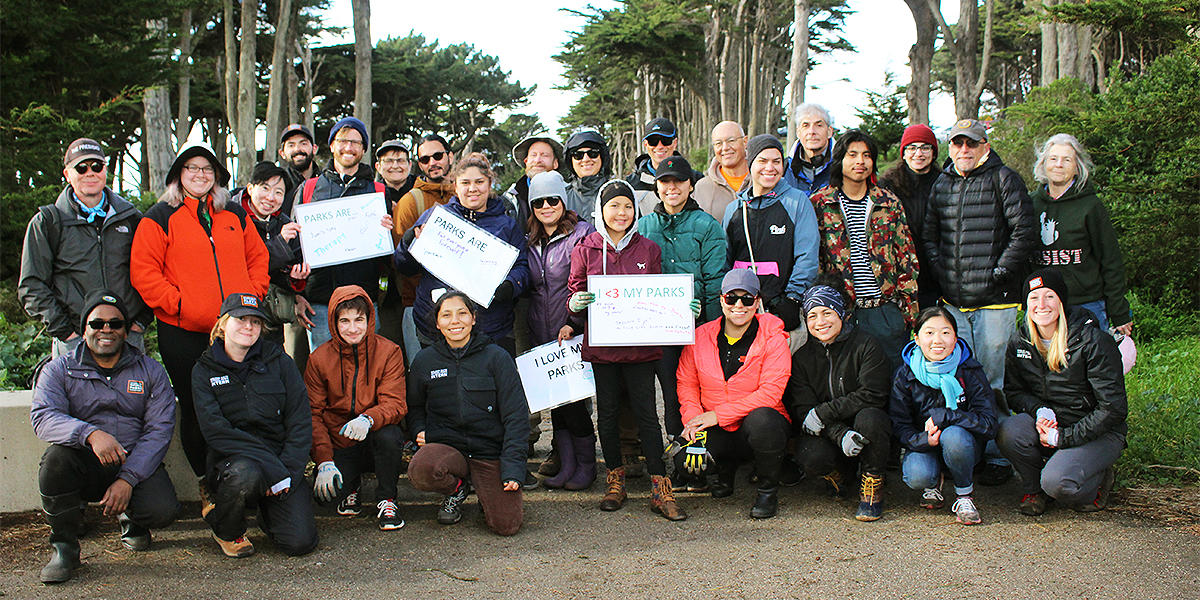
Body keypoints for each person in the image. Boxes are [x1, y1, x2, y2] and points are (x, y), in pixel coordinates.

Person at [130, 142, 269, 502]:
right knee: (196, 407)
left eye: (207, 169)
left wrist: (251, 298)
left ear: (217, 177)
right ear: (179, 175)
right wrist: (179, 305)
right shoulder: (159, 217)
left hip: (236, 332)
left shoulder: (235, 216)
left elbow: (258, 259)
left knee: (240, 403)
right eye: (191, 168)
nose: (200, 174)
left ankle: (244, 479)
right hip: (184, 332)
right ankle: (207, 482)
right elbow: (145, 273)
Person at [31, 291, 180, 583]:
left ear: (127, 330)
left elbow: (159, 429)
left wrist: (128, 479)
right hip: (85, 461)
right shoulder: (59, 369)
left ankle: (133, 521)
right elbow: (43, 417)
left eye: (115, 323)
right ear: (84, 328)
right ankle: (64, 548)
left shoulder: (150, 371)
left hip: (134, 461)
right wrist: (89, 433)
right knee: (55, 461)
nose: (106, 330)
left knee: (163, 510)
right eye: (97, 323)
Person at [922, 118, 1036, 486]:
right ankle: (964, 452)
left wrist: (1001, 271)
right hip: (954, 300)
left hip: (995, 301)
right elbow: (929, 236)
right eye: (957, 144)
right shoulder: (943, 183)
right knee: (959, 380)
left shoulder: (1005, 179)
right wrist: (941, 271)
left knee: (994, 380)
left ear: (985, 146)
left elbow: (1024, 230)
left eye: (971, 144)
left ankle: (998, 454)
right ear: (950, 148)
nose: (964, 151)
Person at [566, 179, 686, 520]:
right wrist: (575, 302)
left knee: (647, 414)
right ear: (601, 211)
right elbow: (573, 294)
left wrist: (679, 310)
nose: (621, 213)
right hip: (603, 349)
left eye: (627, 206)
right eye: (614, 206)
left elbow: (660, 294)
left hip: (640, 349)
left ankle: (660, 486)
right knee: (608, 414)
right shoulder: (585, 248)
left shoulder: (648, 249)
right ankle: (615, 478)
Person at [191, 293, 317, 558]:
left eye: (256, 322)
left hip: (282, 462)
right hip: (233, 462)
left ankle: (268, 513)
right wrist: (273, 469)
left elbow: (300, 422)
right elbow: (217, 431)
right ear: (223, 323)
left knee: (300, 543)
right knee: (243, 475)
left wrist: (289, 473)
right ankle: (227, 529)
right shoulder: (204, 370)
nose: (248, 327)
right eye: (241, 319)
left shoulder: (280, 362)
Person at [997, 269, 1127, 515]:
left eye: (1049, 296)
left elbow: (1113, 408)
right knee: (1009, 431)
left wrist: (1062, 438)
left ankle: (1098, 481)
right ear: (1026, 305)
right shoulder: (1020, 341)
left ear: (1062, 301)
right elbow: (1013, 391)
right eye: (1033, 298)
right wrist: (1039, 410)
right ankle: (1035, 490)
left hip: (1099, 432)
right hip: (1053, 424)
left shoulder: (1093, 340)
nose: (1041, 305)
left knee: (1058, 482)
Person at [407, 292, 530, 536]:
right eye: (446, 315)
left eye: (462, 313)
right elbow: (414, 406)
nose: (455, 321)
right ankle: (456, 489)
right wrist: (419, 430)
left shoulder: (497, 358)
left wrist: (513, 467)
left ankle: (487, 491)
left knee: (507, 526)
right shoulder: (424, 361)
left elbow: (516, 416)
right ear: (437, 323)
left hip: (489, 451)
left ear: (473, 318)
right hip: (448, 448)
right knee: (421, 470)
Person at [676, 269, 792, 519]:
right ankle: (725, 473)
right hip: (716, 425)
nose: (739, 305)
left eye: (747, 299)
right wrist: (694, 420)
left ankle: (767, 490)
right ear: (721, 299)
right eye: (731, 298)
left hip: (756, 426)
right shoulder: (700, 336)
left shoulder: (773, 337)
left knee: (764, 420)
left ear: (758, 301)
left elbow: (771, 393)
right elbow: (686, 384)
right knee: (684, 461)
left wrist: (716, 416)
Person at [20, 138, 152, 357]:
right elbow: (31, 286)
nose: (90, 173)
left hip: (127, 339)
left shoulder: (131, 219)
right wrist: (66, 332)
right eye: (81, 168)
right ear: (67, 174)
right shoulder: (48, 222)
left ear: (105, 171)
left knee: (129, 393)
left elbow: (152, 273)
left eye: (96, 166)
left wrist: (140, 323)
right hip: (75, 341)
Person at [636, 154, 727, 467]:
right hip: (656, 330)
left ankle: (701, 461)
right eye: (665, 182)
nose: (672, 187)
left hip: (697, 326)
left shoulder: (706, 225)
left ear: (691, 185)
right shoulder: (644, 225)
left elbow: (715, 280)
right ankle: (677, 461)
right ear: (657, 187)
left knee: (697, 393)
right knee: (667, 397)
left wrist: (714, 329)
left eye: (679, 181)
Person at [395, 153, 530, 353]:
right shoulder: (436, 217)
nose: (473, 188)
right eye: (465, 182)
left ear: (490, 184)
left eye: (479, 182)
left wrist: (511, 285)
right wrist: (408, 241)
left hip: (491, 329)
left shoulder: (507, 224)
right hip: (436, 329)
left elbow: (522, 267)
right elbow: (404, 267)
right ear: (455, 186)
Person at [809, 130, 918, 369]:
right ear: (840, 160)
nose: (860, 161)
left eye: (867, 155)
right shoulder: (820, 203)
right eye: (853, 155)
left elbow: (907, 258)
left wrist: (906, 313)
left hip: (885, 311)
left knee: (893, 382)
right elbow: (814, 259)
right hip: (841, 312)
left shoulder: (888, 203)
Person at [305, 286, 408, 531]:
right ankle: (351, 487)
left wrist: (368, 419)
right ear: (333, 322)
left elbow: (395, 402)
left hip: (374, 435)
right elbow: (313, 414)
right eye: (345, 321)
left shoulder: (389, 352)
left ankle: (387, 498)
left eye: (359, 320)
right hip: (340, 440)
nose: (353, 328)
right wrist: (323, 461)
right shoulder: (318, 359)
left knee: (390, 435)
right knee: (324, 497)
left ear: (370, 319)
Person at [788, 284, 891, 521]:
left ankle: (872, 481)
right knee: (809, 455)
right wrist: (839, 433)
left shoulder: (866, 345)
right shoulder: (802, 359)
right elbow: (804, 410)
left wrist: (824, 412)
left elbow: (873, 393)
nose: (820, 321)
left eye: (827, 313)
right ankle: (840, 477)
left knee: (871, 418)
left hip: (865, 426)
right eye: (812, 315)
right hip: (829, 434)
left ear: (842, 314)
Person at [521, 170, 597, 489]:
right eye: (539, 201)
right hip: (542, 332)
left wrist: (574, 322)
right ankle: (566, 464)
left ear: (563, 202)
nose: (546, 206)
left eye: (553, 199)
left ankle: (586, 466)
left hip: (573, 332)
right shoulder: (530, 240)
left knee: (575, 402)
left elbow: (587, 282)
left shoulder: (582, 234)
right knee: (557, 403)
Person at [890, 306, 997, 526]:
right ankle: (933, 483)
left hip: (964, 446)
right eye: (929, 333)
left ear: (956, 338)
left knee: (954, 436)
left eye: (945, 332)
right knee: (916, 475)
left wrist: (947, 417)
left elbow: (989, 425)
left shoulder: (968, 369)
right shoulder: (905, 374)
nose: (937, 340)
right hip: (925, 444)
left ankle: (964, 496)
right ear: (917, 338)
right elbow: (899, 425)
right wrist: (922, 440)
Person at [292, 117, 392, 350]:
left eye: (356, 142)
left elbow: (387, 254)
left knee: (365, 370)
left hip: (364, 300)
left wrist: (388, 231)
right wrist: (296, 293)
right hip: (319, 302)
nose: (349, 147)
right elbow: (295, 247)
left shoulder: (378, 191)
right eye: (343, 141)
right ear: (332, 145)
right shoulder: (309, 188)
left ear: (364, 149)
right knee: (323, 374)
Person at [1030, 133, 1132, 335]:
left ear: (1077, 166)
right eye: (1053, 158)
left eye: (1067, 160)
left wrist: (1119, 311)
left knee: (1092, 363)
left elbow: (1110, 260)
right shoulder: (1030, 203)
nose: (1059, 165)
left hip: (1087, 303)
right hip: (1044, 305)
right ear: (1043, 164)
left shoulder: (1090, 206)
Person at [722, 134, 820, 338]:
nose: (770, 167)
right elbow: (725, 258)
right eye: (763, 161)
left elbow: (807, 255)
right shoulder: (734, 209)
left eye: (776, 162)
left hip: (781, 308)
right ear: (750, 164)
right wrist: (730, 299)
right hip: (743, 309)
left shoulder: (797, 202)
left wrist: (792, 298)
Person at [392, 134, 457, 367]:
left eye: (438, 156)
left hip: (463, 308)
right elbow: (399, 261)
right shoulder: (410, 202)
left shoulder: (465, 195)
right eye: (425, 159)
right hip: (419, 307)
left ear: (450, 156)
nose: (432, 163)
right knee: (424, 377)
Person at [236, 161, 308, 346]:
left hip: (271, 316)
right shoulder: (232, 216)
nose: (270, 197)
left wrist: (295, 278)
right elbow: (242, 264)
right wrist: (279, 243)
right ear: (250, 188)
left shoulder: (284, 223)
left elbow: (281, 273)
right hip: (237, 311)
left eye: (278, 193)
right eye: (265, 188)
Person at [879, 124, 942, 310]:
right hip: (902, 269)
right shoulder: (889, 185)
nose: (918, 154)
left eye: (925, 147)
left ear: (933, 152)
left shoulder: (945, 181)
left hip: (937, 269)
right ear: (904, 152)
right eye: (912, 148)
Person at [375, 139, 416, 350]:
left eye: (401, 160)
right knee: (389, 347)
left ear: (410, 165)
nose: (395, 165)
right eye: (388, 161)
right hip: (384, 285)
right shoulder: (370, 195)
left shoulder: (420, 192)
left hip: (416, 287)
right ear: (378, 166)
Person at [626, 117, 701, 216]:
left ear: (675, 143)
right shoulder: (631, 183)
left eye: (665, 140)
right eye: (653, 141)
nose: (660, 146)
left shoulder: (696, 179)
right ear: (645, 144)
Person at [503, 134, 564, 230]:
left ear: (555, 163)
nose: (538, 160)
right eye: (534, 155)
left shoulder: (569, 193)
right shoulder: (511, 198)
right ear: (526, 161)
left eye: (545, 155)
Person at [694, 121, 749, 221]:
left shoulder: (761, 180)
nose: (725, 148)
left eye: (731, 141)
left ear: (745, 142)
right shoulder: (702, 188)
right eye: (718, 143)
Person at [784, 103, 836, 195]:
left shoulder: (842, 167)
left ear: (829, 132)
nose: (812, 131)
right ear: (798, 132)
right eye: (806, 125)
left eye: (819, 125)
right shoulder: (784, 169)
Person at [562, 129, 612, 223]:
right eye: (578, 155)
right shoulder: (561, 198)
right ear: (570, 161)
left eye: (593, 153)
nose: (586, 159)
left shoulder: (618, 192)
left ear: (602, 157)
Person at [276, 123, 320, 216]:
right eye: (291, 145)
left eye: (303, 143)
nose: (298, 149)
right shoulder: (277, 185)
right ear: (282, 153)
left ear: (314, 149)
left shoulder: (327, 181)